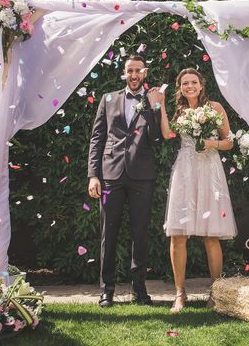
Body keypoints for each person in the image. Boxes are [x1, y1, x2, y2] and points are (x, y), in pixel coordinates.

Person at [148, 68, 237, 313]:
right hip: (185, 170)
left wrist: (212, 143)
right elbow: (167, 134)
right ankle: (179, 294)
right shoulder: (179, 110)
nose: (190, 86)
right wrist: (162, 106)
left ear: (201, 84)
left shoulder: (215, 107)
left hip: (209, 170)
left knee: (211, 236)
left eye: (193, 82)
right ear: (180, 87)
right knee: (178, 235)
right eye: (185, 83)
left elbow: (229, 141)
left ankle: (216, 293)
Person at [87, 55, 162, 307]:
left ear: (144, 73)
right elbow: (97, 138)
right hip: (111, 176)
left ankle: (139, 290)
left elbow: (157, 139)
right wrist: (93, 175)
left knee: (140, 234)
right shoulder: (108, 99)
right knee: (109, 233)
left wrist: (154, 107)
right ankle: (106, 290)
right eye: (129, 70)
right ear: (124, 73)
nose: (133, 75)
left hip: (142, 176)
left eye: (138, 71)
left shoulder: (152, 100)